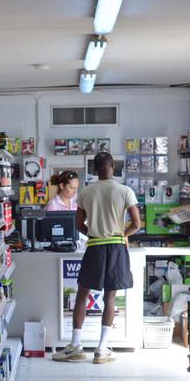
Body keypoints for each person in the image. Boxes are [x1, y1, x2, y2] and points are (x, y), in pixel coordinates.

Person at [53, 152, 142, 364]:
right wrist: (121, 234)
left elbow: (78, 224)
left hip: (94, 247)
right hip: (117, 248)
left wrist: (95, 232)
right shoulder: (125, 191)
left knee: (82, 295)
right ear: (112, 166)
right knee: (110, 298)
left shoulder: (86, 192)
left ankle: (75, 346)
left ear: (94, 169)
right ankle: (101, 350)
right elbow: (137, 224)